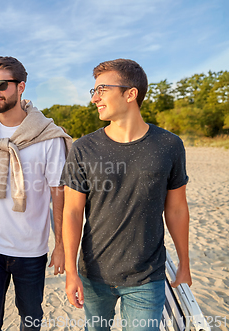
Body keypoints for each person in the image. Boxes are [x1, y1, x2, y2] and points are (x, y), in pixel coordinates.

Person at [62, 59, 191, 331]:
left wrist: (184, 263)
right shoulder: (83, 148)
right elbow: (72, 212)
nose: (95, 98)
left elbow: (177, 209)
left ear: (130, 94)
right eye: (93, 91)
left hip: (147, 276)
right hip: (94, 275)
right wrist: (71, 272)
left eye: (102, 89)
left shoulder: (169, 145)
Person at [0, 56, 73, 331]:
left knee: (31, 319)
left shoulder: (49, 137)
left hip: (31, 250)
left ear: (21, 87)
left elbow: (59, 194)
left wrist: (61, 246)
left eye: (1, 85)